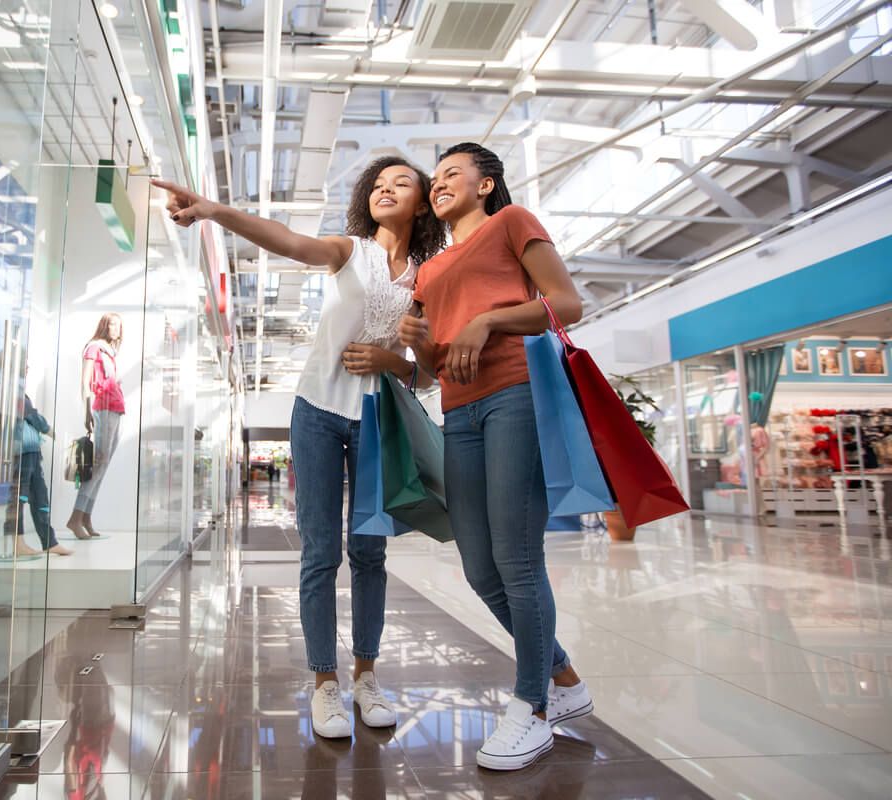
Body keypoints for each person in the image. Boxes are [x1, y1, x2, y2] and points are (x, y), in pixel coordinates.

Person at [154, 156, 445, 739]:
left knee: (369, 553)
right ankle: (324, 684)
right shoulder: (348, 252)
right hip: (315, 413)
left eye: (402, 183)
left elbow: (431, 373)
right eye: (378, 184)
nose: (386, 189)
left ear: (423, 203)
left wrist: (393, 360)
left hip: (375, 420)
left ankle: (366, 675)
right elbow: (285, 240)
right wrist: (212, 211)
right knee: (320, 553)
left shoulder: (428, 277)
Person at [398, 143, 592, 771]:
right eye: (436, 178)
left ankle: (532, 705)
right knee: (481, 568)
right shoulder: (428, 271)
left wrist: (488, 323)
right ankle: (563, 679)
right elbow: (429, 373)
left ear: (487, 184)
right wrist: (422, 343)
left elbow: (566, 305)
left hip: (515, 396)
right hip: (459, 412)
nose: (440, 183)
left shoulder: (513, 223)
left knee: (517, 558)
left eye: (454, 173)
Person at [66, 313, 125, 539]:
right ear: (104, 325)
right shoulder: (94, 348)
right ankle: (75, 518)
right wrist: (86, 411)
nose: (116, 329)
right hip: (103, 407)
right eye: (112, 324)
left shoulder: (111, 353)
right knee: (98, 464)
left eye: (119, 326)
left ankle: (86, 516)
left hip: (117, 408)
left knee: (103, 466)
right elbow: (85, 381)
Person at [6, 393, 72, 556]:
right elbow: (34, 418)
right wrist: (52, 432)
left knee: (40, 498)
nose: (27, 366)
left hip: (32, 451)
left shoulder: (20, 392)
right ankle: (18, 543)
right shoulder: (13, 390)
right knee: (18, 499)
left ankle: (49, 542)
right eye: (25, 365)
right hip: (23, 452)